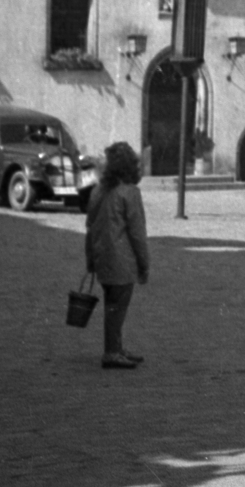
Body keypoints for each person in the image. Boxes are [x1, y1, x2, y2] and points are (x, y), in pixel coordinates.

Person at [84, 141, 150, 369]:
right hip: (123, 261)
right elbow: (138, 234)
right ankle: (112, 352)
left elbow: (90, 227)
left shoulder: (97, 191)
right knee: (117, 308)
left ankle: (116, 347)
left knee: (112, 305)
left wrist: (90, 259)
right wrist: (144, 263)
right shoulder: (130, 193)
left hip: (103, 258)